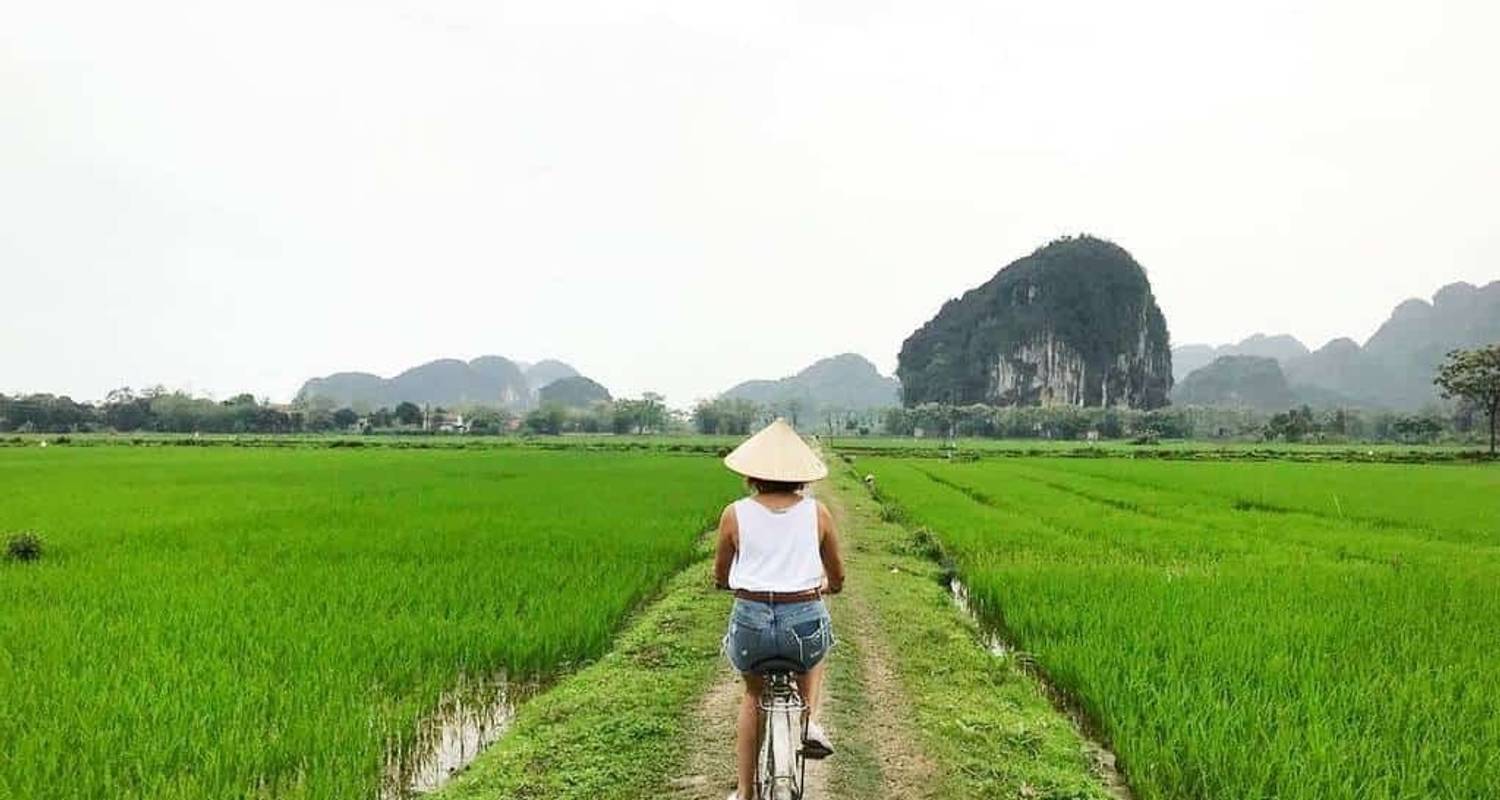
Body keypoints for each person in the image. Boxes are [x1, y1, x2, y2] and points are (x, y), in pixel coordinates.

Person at [713, 418, 846, 800]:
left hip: (751, 625)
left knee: (753, 695)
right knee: (817, 647)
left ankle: (745, 792)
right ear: (801, 477)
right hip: (802, 620)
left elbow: (721, 574)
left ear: (752, 475)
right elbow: (837, 576)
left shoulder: (733, 514)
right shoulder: (817, 513)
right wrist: (828, 586)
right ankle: (809, 722)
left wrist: (727, 583)